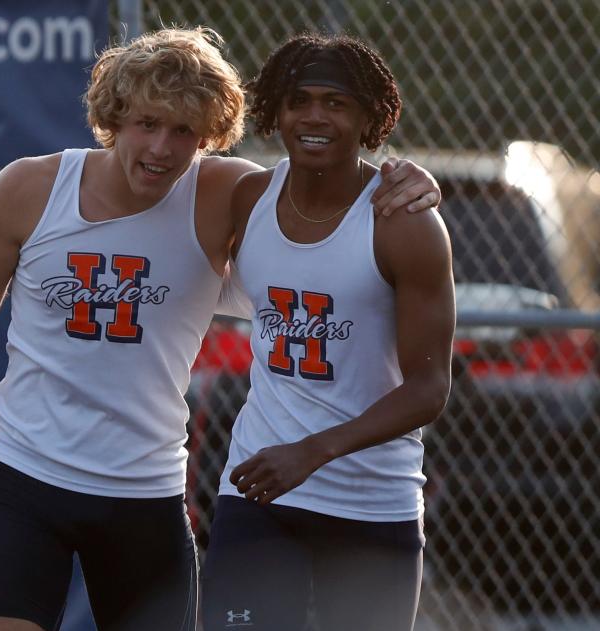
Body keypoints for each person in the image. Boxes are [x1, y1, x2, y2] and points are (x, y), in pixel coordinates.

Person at [0, 27, 442, 631]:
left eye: (185, 132)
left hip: (144, 495)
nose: (162, 148)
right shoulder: (29, 189)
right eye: (148, 123)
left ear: (208, 139)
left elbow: (329, 193)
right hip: (25, 478)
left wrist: (408, 178)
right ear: (113, 118)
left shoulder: (225, 194)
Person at [200, 33, 456, 631]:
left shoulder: (404, 223)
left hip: (370, 501)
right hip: (259, 491)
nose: (315, 117)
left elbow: (430, 389)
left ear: (369, 117)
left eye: (337, 103)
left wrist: (313, 452)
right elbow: (153, 187)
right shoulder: (248, 197)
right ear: (275, 112)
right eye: (300, 100)